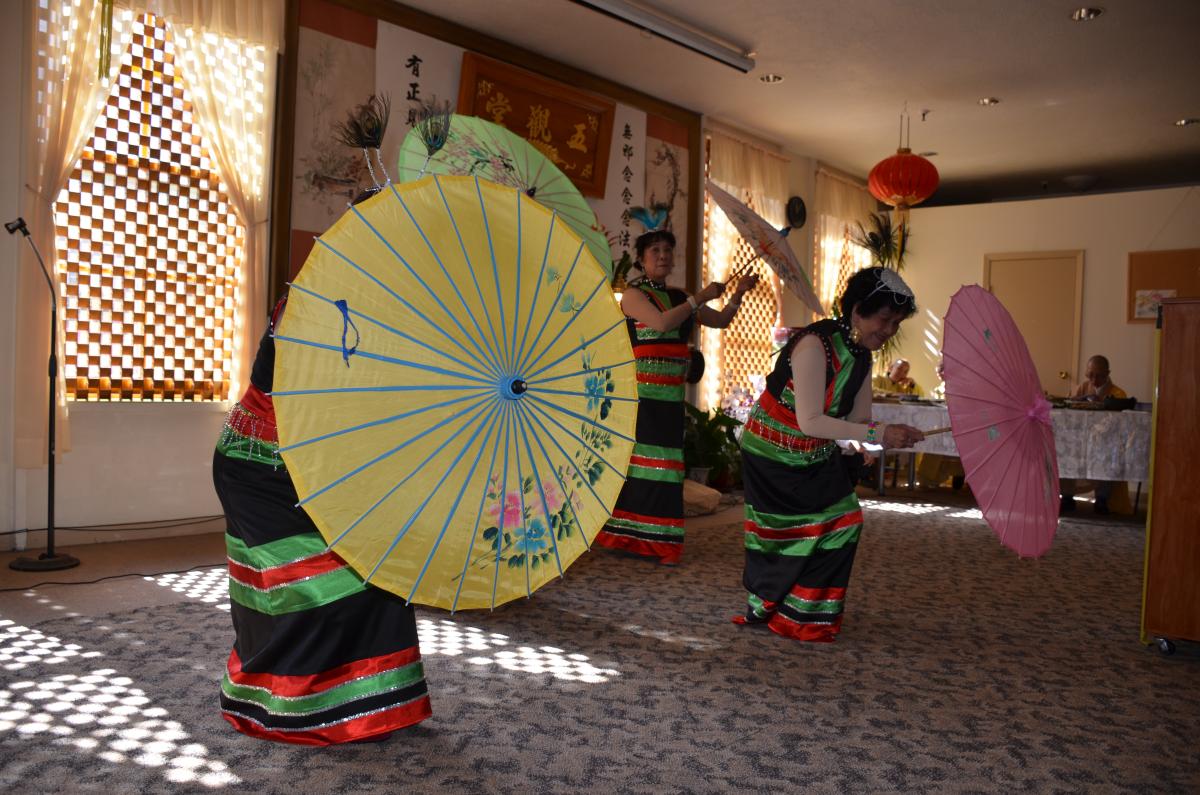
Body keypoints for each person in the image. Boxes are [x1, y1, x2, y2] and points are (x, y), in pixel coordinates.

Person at [734, 267, 924, 641]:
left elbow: (858, 420)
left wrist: (871, 442)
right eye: (885, 319)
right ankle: (773, 603)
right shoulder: (814, 345)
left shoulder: (862, 355)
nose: (889, 331)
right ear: (857, 310)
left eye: (896, 323)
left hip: (814, 452)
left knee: (844, 521)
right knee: (782, 534)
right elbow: (811, 421)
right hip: (772, 453)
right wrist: (877, 434)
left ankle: (803, 612)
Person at [594, 228, 758, 564]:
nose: (663, 256)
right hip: (640, 395)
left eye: (667, 250)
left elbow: (721, 320)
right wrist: (699, 298)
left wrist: (738, 294)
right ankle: (629, 536)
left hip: (670, 396)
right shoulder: (633, 295)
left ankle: (658, 539)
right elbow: (661, 323)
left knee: (667, 466)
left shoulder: (679, 296)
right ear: (641, 259)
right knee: (643, 463)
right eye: (655, 250)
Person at [1061, 355, 1129, 515]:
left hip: (1104, 441)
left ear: (1108, 373)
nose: (1093, 379)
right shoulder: (1081, 388)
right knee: (1066, 451)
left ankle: (1102, 499)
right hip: (1079, 439)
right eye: (1090, 375)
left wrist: (1103, 404)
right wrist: (1081, 399)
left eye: (1099, 375)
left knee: (1109, 455)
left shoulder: (1118, 393)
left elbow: (1118, 423)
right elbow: (1067, 408)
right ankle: (1067, 497)